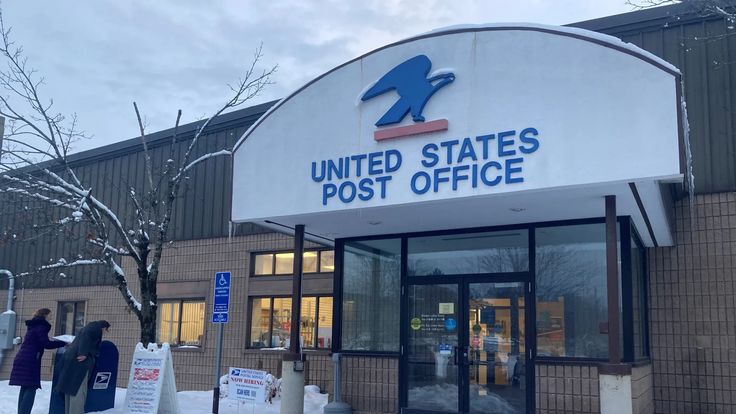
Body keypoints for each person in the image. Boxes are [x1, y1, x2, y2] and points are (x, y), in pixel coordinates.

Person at [9, 308, 67, 414]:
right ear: (45, 315)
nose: (51, 317)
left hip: (23, 357)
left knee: (25, 386)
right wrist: (63, 343)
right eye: (50, 315)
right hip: (31, 359)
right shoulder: (42, 326)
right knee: (32, 386)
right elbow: (46, 344)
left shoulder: (34, 325)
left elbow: (39, 340)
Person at [54, 320, 110, 414]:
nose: (104, 333)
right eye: (106, 331)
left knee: (69, 390)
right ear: (104, 328)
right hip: (80, 365)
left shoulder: (87, 328)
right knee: (79, 391)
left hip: (70, 362)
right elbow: (86, 335)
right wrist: (83, 353)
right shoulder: (94, 329)